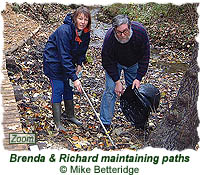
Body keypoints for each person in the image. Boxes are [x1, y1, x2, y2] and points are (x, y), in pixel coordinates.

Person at [43, 6, 91, 131]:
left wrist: (79, 63)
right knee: (58, 88)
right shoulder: (64, 30)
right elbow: (64, 56)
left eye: (85, 20)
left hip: (67, 62)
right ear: (75, 18)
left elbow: (82, 50)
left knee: (68, 88)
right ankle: (58, 123)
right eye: (80, 19)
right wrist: (75, 78)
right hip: (53, 61)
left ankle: (70, 115)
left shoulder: (85, 32)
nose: (83, 22)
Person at [100, 14, 150, 131]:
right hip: (115, 63)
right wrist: (117, 81)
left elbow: (145, 56)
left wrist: (138, 78)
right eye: (119, 32)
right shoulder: (109, 39)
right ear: (114, 31)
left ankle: (138, 121)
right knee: (110, 90)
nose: (122, 35)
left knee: (134, 91)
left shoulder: (140, 32)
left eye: (125, 31)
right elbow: (107, 62)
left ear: (130, 27)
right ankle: (105, 123)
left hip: (133, 64)